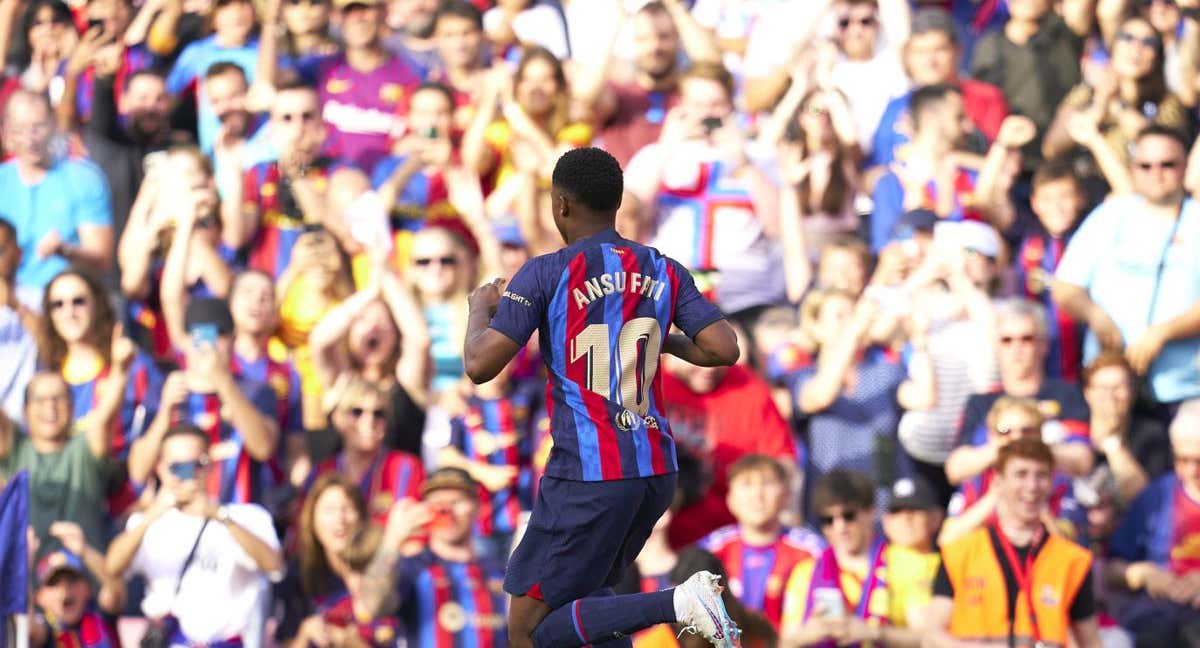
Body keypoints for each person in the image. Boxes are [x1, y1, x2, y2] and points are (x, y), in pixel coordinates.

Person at [435, 146, 741, 647]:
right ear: (617, 203)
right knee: (589, 607)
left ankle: (679, 601)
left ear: (560, 205)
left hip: (588, 474)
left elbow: (479, 366)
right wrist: (660, 337)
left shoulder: (547, 272)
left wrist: (478, 310)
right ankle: (672, 604)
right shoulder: (662, 268)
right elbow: (723, 348)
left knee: (528, 630)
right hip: (654, 472)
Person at [1053, 125, 1200, 411]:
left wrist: (1163, 333)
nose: (1156, 173)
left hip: (1184, 387)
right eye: (1145, 165)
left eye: (1167, 164)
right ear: (1133, 168)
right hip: (1111, 384)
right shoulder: (1110, 215)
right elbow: (1066, 286)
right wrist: (1095, 315)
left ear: (1184, 167)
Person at [624, 62, 783, 317]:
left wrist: (744, 165)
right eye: (698, 105)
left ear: (731, 105)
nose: (707, 114)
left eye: (716, 104)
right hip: (671, 297)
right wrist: (666, 149)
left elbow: (778, 226)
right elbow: (630, 220)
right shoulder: (652, 157)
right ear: (681, 106)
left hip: (747, 295)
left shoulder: (759, 155)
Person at [106, 423, 284, 647]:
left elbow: (274, 566)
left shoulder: (245, 516)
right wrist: (153, 513)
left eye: (197, 465)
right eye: (177, 467)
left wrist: (220, 515)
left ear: (210, 466)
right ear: (160, 468)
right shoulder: (146, 523)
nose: (188, 474)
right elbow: (112, 567)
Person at [925, 438, 1102, 648]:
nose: (1032, 486)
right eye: (1021, 474)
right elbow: (932, 637)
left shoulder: (1072, 560)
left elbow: (1090, 641)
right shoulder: (960, 552)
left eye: (1042, 475)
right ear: (998, 482)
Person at [126, 298, 280, 503]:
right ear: (186, 341)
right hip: (178, 514)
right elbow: (138, 472)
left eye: (220, 335)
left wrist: (225, 384)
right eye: (201, 335)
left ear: (233, 340)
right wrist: (165, 413)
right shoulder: (163, 390)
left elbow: (263, 449)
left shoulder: (255, 391)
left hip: (236, 514)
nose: (210, 344)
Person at [659, 354, 799, 547]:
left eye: (716, 359)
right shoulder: (648, 380)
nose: (708, 369)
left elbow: (783, 463)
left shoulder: (748, 387)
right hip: (660, 539)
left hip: (727, 542)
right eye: (696, 360)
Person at [778, 469, 928, 647]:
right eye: (828, 520)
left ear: (871, 512)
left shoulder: (907, 563)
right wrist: (809, 633)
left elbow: (925, 637)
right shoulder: (806, 572)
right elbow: (785, 643)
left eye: (848, 516)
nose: (840, 527)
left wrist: (873, 632)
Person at [953, 299, 1093, 478]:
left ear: (1043, 345)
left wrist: (1033, 441)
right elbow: (955, 469)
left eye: (1026, 339)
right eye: (1007, 340)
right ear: (996, 347)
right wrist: (1006, 444)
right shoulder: (980, 402)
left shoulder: (1067, 395)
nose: (1016, 348)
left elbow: (1083, 462)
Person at [0, 90, 114, 308]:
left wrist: (65, 250)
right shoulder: (2, 180)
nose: (30, 138)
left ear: (53, 124)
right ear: (5, 133)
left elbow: (102, 259)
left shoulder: (83, 178)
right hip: (8, 303)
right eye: (19, 130)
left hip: (63, 301)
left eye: (38, 127)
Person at [1102, 399, 1200, 644]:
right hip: (1159, 611)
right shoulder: (1157, 495)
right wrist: (1142, 574)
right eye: (1182, 459)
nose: (1191, 471)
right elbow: (1112, 569)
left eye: (1199, 461)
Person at [0, 368, 128, 553]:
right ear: (25, 410)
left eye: (59, 399)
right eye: (40, 400)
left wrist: (121, 368)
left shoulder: (85, 450)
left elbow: (105, 417)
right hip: (29, 579)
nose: (50, 407)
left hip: (84, 576)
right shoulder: (15, 452)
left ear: (72, 408)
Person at [869, 7, 1009, 168]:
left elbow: (1003, 165)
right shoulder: (897, 107)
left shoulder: (986, 97)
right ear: (908, 56)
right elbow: (875, 169)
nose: (930, 61)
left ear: (958, 51)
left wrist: (947, 158)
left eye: (939, 50)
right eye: (920, 52)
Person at [700, 455, 824, 629]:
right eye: (746, 484)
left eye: (767, 483)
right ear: (730, 499)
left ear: (786, 495)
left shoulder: (813, 551)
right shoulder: (709, 550)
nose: (757, 494)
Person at [309, 375, 424, 526]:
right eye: (357, 412)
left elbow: (414, 534)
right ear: (338, 418)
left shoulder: (406, 468)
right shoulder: (321, 473)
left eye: (379, 414)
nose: (369, 421)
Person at [274, 472, 370, 646]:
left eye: (347, 508)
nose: (340, 519)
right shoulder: (299, 575)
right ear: (312, 519)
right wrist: (305, 634)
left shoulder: (381, 570)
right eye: (329, 510)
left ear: (361, 516)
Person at [30, 546, 122, 647]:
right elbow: (30, 630)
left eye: (72, 580)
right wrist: (23, 564)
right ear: (39, 596)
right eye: (54, 583)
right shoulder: (43, 628)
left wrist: (85, 551)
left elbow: (116, 589)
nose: (64, 588)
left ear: (88, 588)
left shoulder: (102, 615)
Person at [0, 218, 37, 425]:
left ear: (18, 255)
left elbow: (51, 347)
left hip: (26, 427)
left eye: (0, 250)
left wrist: (14, 305)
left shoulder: (37, 299)